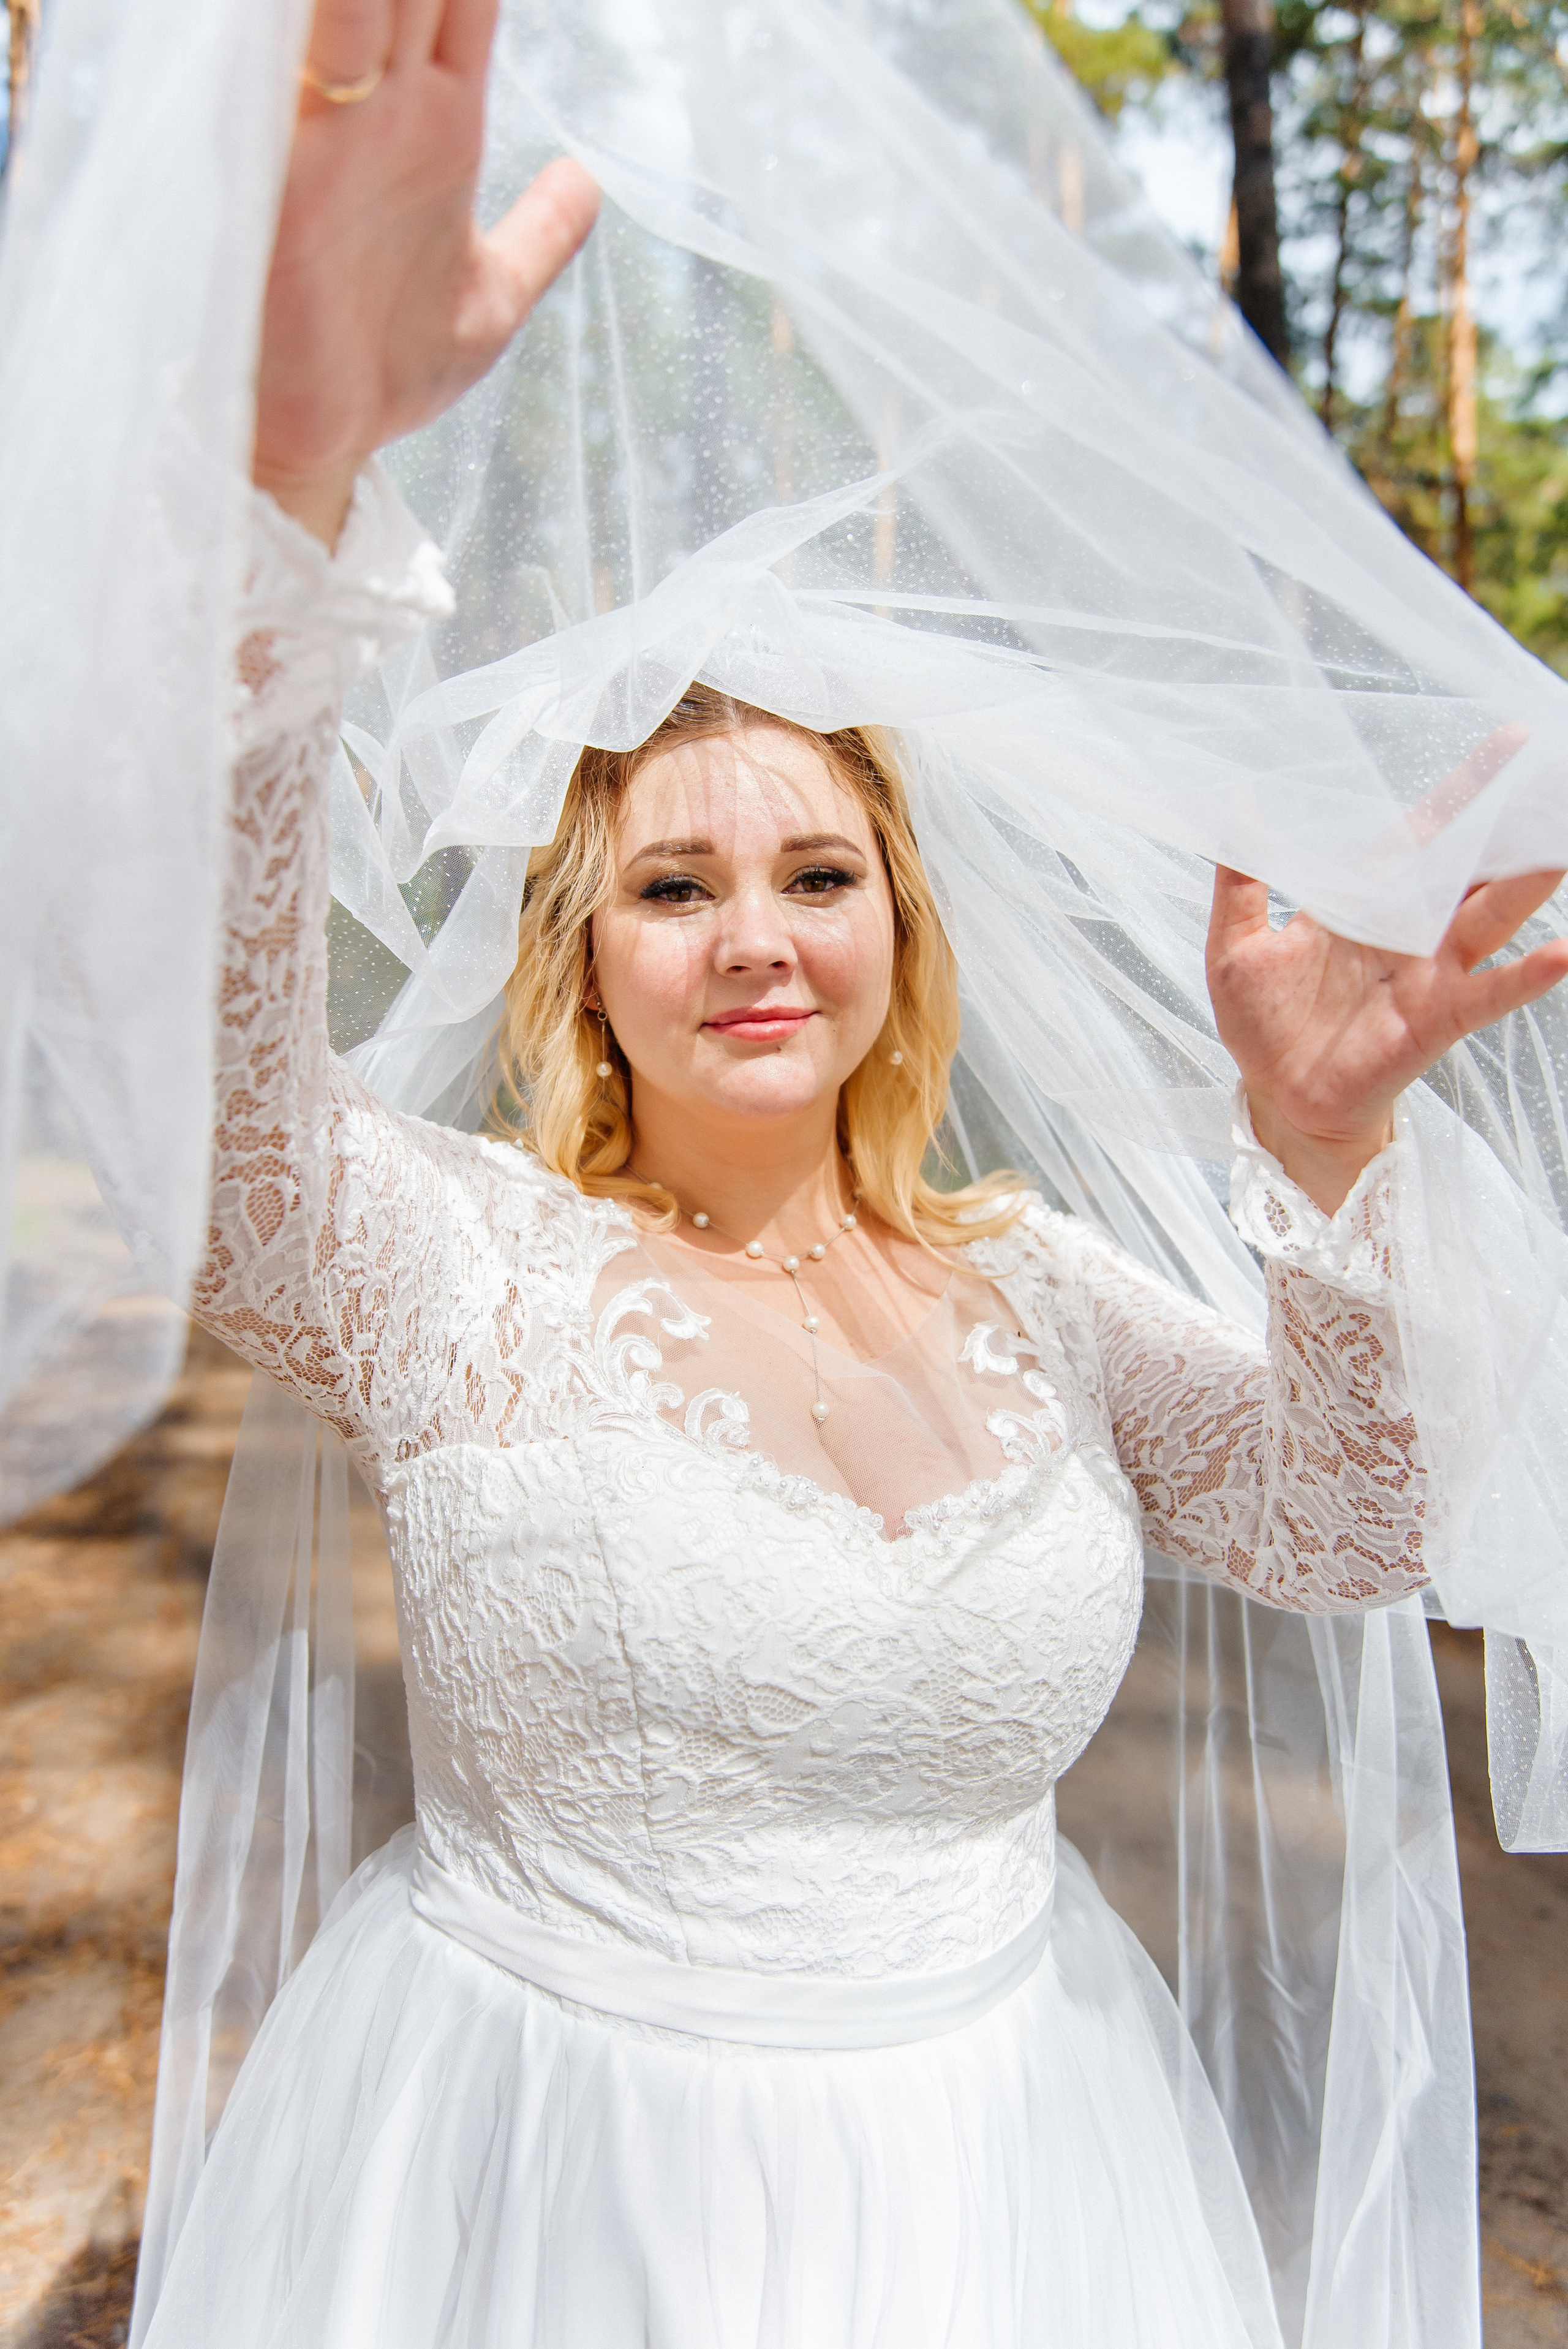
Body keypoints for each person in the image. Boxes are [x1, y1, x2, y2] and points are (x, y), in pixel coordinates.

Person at [121, 0, 1568, 2342]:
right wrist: (294, 495)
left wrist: (1324, 1149)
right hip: (548, 2179)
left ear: (906, 917)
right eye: (674, 889)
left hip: (1015, 2180)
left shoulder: (1050, 1289)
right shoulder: (457, 1268)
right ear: (581, 960)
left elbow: (1351, 1520)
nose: (757, 938)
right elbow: (228, 1137)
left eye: (818, 871)